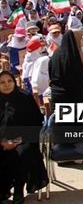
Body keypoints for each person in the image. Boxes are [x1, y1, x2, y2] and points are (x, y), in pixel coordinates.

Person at [0, 72, 48, 204]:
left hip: (24, 138)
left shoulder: (24, 98)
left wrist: (15, 141)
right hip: (2, 141)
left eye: (9, 81)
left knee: (22, 153)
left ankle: (18, 188)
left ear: (14, 82)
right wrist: (3, 142)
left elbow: (36, 124)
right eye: (2, 82)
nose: (6, 85)